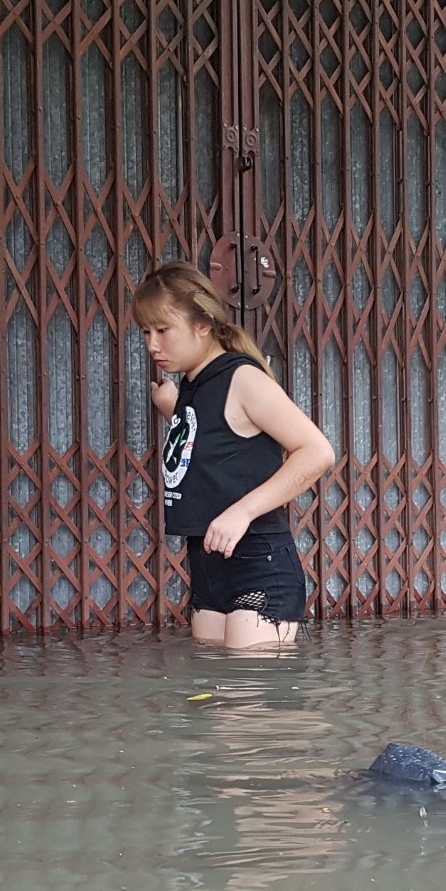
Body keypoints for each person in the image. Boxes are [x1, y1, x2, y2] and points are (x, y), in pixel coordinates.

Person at [137, 263, 334, 649]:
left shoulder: (241, 379)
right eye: (146, 332)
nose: (151, 345)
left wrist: (243, 511)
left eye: (163, 330)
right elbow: (211, 437)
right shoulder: (195, 383)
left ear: (203, 325)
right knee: (216, 697)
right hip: (209, 566)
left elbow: (317, 452)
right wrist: (172, 407)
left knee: (247, 701)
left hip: (258, 566)